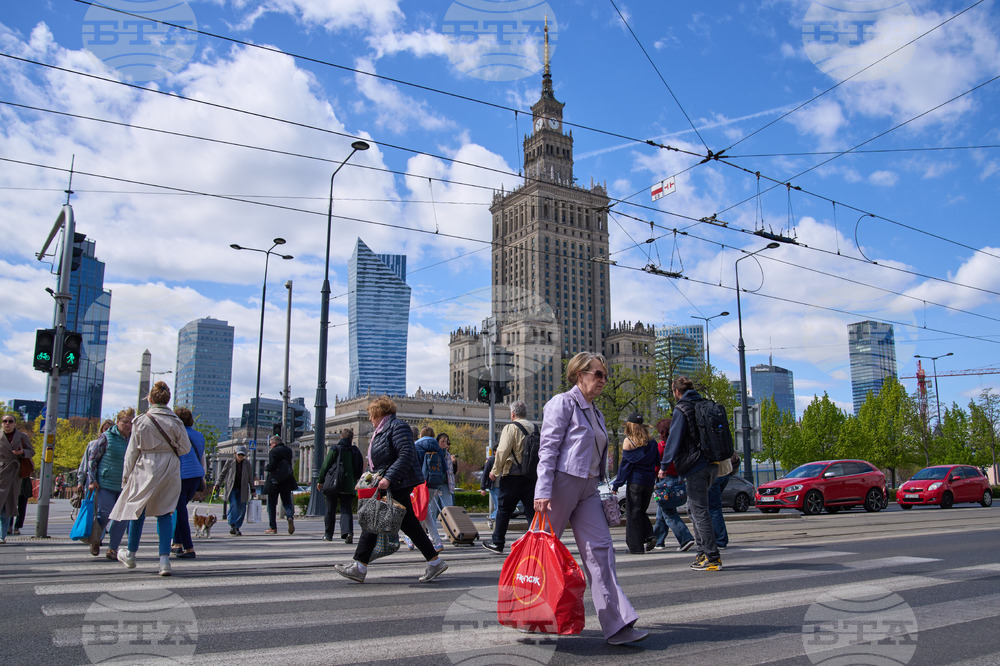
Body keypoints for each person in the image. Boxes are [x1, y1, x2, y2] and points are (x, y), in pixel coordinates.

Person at [533, 352, 647, 646]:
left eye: (605, 376)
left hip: (588, 489)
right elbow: (548, 449)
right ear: (579, 374)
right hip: (561, 484)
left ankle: (617, 624)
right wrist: (543, 489)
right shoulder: (562, 403)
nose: (603, 381)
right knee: (543, 553)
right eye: (598, 374)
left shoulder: (596, 412)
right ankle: (528, 613)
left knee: (601, 553)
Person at [333, 395, 448, 584]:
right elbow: (379, 460)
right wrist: (366, 480)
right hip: (391, 481)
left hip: (398, 482)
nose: (369, 418)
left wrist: (388, 478)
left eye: (371, 414)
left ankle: (360, 566)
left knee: (373, 517)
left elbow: (406, 455)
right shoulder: (383, 429)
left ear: (380, 412)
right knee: (408, 524)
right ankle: (435, 561)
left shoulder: (397, 426)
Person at [109, 381, 190, 576]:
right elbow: (185, 448)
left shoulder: (141, 421)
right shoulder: (176, 422)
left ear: (151, 400)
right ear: (167, 400)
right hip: (170, 467)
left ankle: (131, 554)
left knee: (138, 510)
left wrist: (126, 477)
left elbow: (131, 453)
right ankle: (164, 561)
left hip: (145, 466)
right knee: (165, 513)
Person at [659, 376, 720, 571]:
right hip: (713, 464)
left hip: (696, 466)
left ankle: (712, 557)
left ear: (677, 392)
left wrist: (664, 465)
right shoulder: (705, 404)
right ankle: (702, 553)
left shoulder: (682, 409)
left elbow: (674, 439)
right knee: (694, 509)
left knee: (699, 511)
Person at [482, 401, 537, 554]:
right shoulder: (535, 428)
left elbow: (502, 451)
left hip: (512, 476)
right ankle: (538, 544)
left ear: (512, 414)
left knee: (504, 510)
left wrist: (494, 471)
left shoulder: (510, 427)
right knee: (532, 512)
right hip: (532, 477)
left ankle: (497, 542)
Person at [610, 412, 659, 555]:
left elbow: (625, 467)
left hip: (635, 482)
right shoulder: (652, 442)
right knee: (641, 511)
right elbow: (657, 462)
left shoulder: (629, 441)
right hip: (649, 482)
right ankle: (649, 535)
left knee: (633, 514)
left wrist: (616, 485)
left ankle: (635, 547)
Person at [88, 409, 134, 559]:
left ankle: (112, 548)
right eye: (125, 422)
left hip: (125, 485)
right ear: (118, 422)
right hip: (106, 483)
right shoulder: (106, 437)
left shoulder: (134, 439)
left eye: (130, 422)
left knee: (122, 518)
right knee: (105, 514)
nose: (128, 425)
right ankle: (96, 539)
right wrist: (92, 479)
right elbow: (93, 459)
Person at [652, 419, 694, 552]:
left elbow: (656, 463)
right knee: (662, 510)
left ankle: (685, 538)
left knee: (668, 512)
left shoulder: (662, 446)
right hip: (677, 479)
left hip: (664, 481)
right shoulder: (680, 445)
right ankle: (658, 540)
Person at [171, 407, 206, 559]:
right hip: (196, 476)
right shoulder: (199, 436)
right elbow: (201, 457)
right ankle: (177, 544)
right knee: (180, 510)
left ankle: (189, 548)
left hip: (181, 475)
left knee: (180, 512)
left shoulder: (176, 434)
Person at [318, 428, 363, 543]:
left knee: (330, 509)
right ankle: (348, 533)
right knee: (346, 509)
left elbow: (326, 465)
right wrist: (356, 479)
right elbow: (360, 466)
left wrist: (320, 480)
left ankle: (328, 535)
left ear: (341, 437)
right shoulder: (355, 451)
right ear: (351, 438)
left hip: (334, 483)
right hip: (349, 485)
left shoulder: (335, 449)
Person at [1, 415, 34, 544]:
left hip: (15, 475)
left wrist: (22, 453)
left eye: (10, 421)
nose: (7, 424)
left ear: (15, 423)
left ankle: (2, 535)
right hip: (1, 473)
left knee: (7, 506)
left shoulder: (21, 436)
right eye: (5, 421)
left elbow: (31, 451)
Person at [413, 425, 445, 552]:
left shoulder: (417, 446)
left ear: (421, 435)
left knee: (420, 511)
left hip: (420, 483)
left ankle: (418, 539)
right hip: (434, 483)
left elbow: (414, 464)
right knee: (425, 512)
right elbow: (444, 466)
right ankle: (432, 541)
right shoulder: (437, 447)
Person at [216, 446, 253, 535]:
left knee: (242, 508)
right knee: (233, 505)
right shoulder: (230, 462)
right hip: (232, 488)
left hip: (242, 488)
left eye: (242, 455)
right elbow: (222, 474)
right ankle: (232, 523)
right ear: (235, 454)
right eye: (239, 454)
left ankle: (237, 526)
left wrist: (253, 489)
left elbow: (250, 477)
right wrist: (217, 484)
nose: (240, 456)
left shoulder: (247, 464)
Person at [264, 435, 296, 535]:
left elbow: (272, 465)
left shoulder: (273, 451)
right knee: (287, 502)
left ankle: (273, 527)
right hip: (286, 480)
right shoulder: (288, 450)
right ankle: (290, 516)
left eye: (270, 444)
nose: (270, 446)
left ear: (274, 443)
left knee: (272, 505)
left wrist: (267, 467)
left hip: (275, 481)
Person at [709, 454, 740, 549]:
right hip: (726, 471)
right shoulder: (722, 438)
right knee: (715, 508)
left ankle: (719, 539)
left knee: (713, 508)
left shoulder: (709, 439)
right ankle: (719, 538)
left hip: (715, 473)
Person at [437, 432, 457, 508]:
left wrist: (454, 463)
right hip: (436, 482)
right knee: (434, 508)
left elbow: (453, 471)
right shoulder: (435, 452)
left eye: (446, 442)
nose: (444, 444)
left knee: (448, 506)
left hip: (446, 483)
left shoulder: (448, 455)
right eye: (442, 441)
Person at [480, 453, 498, 530]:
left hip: (503, 487)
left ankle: (493, 517)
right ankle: (492, 517)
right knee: (499, 506)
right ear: (494, 452)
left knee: (500, 506)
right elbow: (484, 474)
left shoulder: (504, 460)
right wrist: (483, 488)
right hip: (494, 487)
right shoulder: (490, 462)